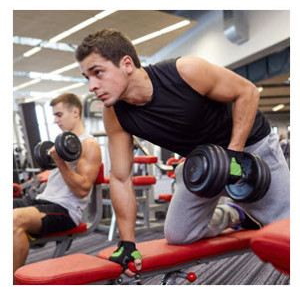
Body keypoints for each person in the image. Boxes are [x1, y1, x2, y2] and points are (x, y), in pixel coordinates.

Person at [75, 29, 290, 276]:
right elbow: (121, 177)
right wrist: (127, 242)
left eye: (98, 73)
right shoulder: (114, 113)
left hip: (251, 148)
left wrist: (235, 154)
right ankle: (236, 214)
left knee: (288, 233)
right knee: (179, 235)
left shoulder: (185, 72)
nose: (92, 86)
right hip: (203, 162)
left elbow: (248, 91)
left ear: (126, 64)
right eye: (87, 77)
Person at [13, 93, 102, 282]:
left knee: (14, 219)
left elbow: (83, 189)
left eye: (59, 115)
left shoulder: (89, 144)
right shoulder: (62, 144)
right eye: (53, 115)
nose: (55, 120)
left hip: (65, 211)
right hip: (41, 201)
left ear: (75, 112)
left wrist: (59, 161)